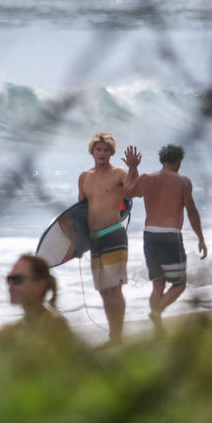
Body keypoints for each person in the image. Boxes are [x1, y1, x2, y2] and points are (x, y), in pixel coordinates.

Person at [124, 144, 207, 335]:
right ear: (178, 162)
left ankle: (158, 325)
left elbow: (127, 192)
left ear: (162, 161)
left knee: (158, 284)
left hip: (149, 235)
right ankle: (157, 312)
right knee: (179, 284)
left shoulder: (146, 178)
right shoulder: (183, 182)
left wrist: (132, 168)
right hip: (170, 236)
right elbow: (192, 212)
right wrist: (200, 238)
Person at [78, 132, 138, 344]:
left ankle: (117, 336)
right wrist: (77, 244)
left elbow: (134, 191)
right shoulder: (84, 177)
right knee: (103, 289)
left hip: (113, 234)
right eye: (98, 149)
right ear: (92, 152)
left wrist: (132, 168)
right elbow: (80, 212)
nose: (102, 153)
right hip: (94, 239)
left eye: (106, 150)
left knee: (115, 287)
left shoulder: (118, 173)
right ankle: (114, 335)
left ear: (111, 153)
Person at [0, 254, 73, 344]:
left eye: (17, 279)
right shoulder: (8, 331)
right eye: (9, 279)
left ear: (40, 285)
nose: (11, 286)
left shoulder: (55, 326)